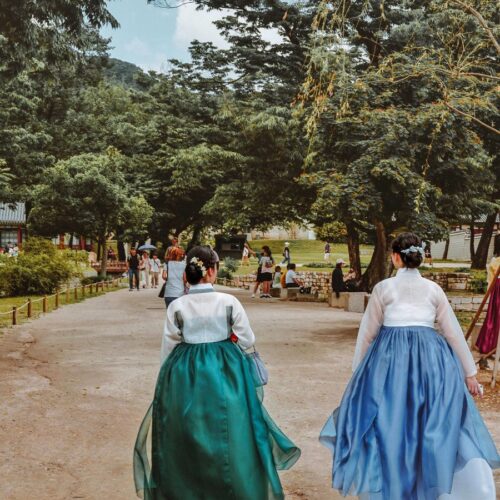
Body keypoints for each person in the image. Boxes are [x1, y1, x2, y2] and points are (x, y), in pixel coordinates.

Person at [320, 232, 499, 499]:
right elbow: (452, 333)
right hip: (433, 361)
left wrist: (359, 373)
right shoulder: (433, 290)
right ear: (420, 258)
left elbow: (367, 334)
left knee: (391, 423)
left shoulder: (384, 288)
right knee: (434, 420)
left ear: (395, 257)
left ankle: (396, 484)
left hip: (390, 362)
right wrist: (470, 374)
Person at [133, 246, 300, 499]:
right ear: (212, 271)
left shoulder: (177, 307)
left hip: (184, 372)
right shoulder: (229, 302)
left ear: (187, 274)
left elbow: (168, 349)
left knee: (188, 432)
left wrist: (168, 384)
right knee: (233, 431)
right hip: (226, 370)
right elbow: (247, 339)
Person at [475, 234, 500, 356]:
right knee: (496, 317)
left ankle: (492, 345)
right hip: (498, 291)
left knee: (495, 317)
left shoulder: (494, 261)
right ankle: (493, 346)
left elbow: (490, 282)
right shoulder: (495, 262)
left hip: (496, 290)